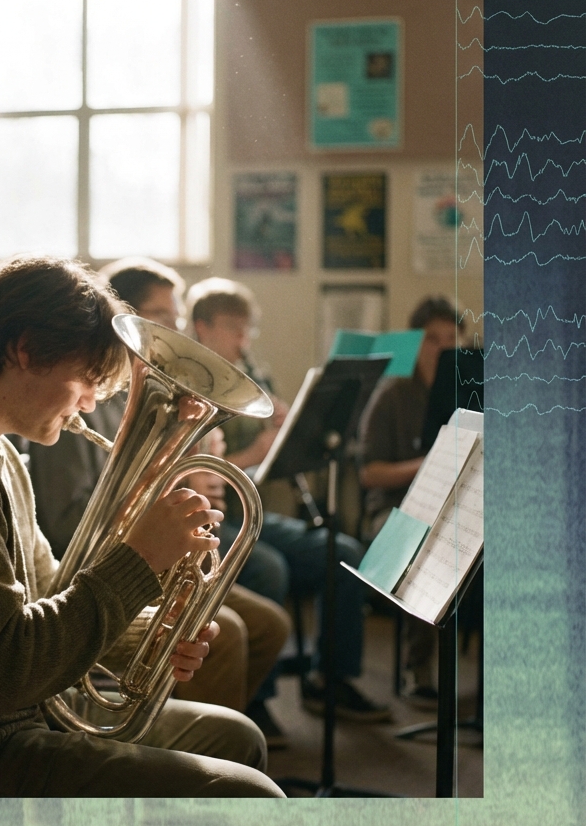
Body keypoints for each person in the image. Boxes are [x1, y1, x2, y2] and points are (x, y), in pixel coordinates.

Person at [0, 255, 285, 798]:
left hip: (2, 725)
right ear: (26, 350)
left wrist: (150, 636)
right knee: (251, 794)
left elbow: (49, 596)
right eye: (86, 379)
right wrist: (138, 560)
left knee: (237, 739)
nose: (88, 403)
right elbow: (9, 670)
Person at [26, 257, 293, 747]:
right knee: (227, 632)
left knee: (270, 625)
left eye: (175, 318)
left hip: (144, 559)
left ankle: (203, 731)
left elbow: (143, 490)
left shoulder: (148, 397)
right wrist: (158, 510)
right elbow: (68, 523)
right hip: (102, 564)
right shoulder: (74, 400)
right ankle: (183, 751)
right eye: (161, 319)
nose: (175, 331)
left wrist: (183, 480)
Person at [186, 277, 391, 723]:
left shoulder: (250, 380)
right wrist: (255, 453)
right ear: (202, 327)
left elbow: (263, 470)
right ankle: (254, 699)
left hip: (248, 510)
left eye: (248, 329)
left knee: (343, 551)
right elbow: (194, 474)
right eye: (233, 328)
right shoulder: (188, 384)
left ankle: (331, 679)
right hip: (212, 518)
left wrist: (288, 437)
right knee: (269, 568)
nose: (243, 340)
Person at [358, 295, 463, 704]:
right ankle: (419, 669)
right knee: (430, 548)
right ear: (416, 343)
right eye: (433, 340)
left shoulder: (466, 389)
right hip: (394, 508)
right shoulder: (392, 394)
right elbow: (369, 473)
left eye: (452, 340)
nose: (443, 348)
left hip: (453, 506)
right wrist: (430, 464)